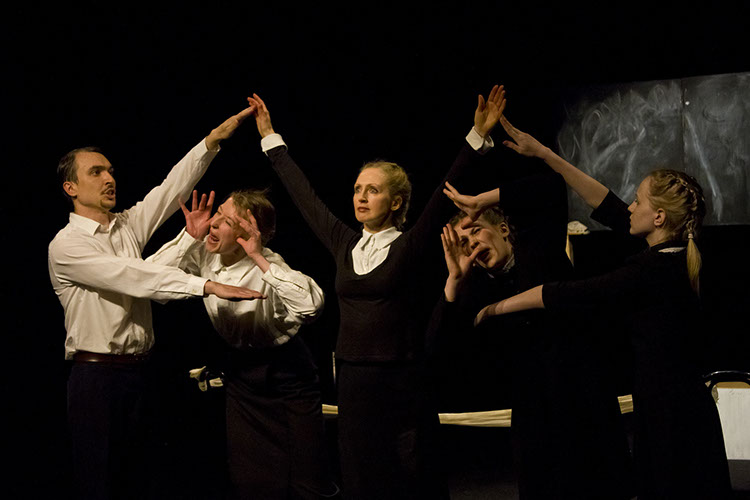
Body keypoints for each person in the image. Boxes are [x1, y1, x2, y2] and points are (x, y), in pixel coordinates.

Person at [244, 87, 505, 499]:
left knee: (408, 475)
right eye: (357, 189)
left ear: (396, 201)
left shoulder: (409, 245)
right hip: (352, 380)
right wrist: (269, 138)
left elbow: (445, 192)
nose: (361, 197)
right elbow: (305, 197)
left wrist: (477, 137)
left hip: (400, 382)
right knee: (361, 477)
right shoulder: (344, 242)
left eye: (373, 190)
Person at [470, 115, 732, 499]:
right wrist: (544, 153)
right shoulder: (675, 253)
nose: (630, 207)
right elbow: (604, 202)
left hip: (671, 420)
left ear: (659, 217)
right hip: (674, 410)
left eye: (638, 201)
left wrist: (495, 308)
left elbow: (562, 293)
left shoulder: (651, 270)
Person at [48, 105, 264, 500]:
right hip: (96, 379)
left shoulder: (126, 225)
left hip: (139, 373)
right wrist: (206, 285)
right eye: (96, 172)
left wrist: (210, 142)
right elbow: (135, 277)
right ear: (71, 188)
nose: (109, 178)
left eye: (110, 170)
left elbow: (168, 190)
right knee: (99, 486)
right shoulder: (66, 246)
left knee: (139, 482)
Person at [431, 153, 633, 498]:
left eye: (476, 231)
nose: (472, 244)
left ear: (504, 229)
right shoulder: (475, 288)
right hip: (535, 419)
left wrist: (482, 201)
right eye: (463, 243)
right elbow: (437, 350)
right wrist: (453, 283)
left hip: (583, 401)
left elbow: (550, 186)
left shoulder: (539, 250)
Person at [149, 188, 338, 499]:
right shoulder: (206, 253)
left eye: (226, 221)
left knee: (310, 481)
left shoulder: (269, 263)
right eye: (217, 214)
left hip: (288, 375)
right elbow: (149, 279)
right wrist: (188, 236)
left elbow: (311, 307)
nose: (213, 223)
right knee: (252, 481)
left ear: (250, 233)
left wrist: (258, 257)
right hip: (240, 374)